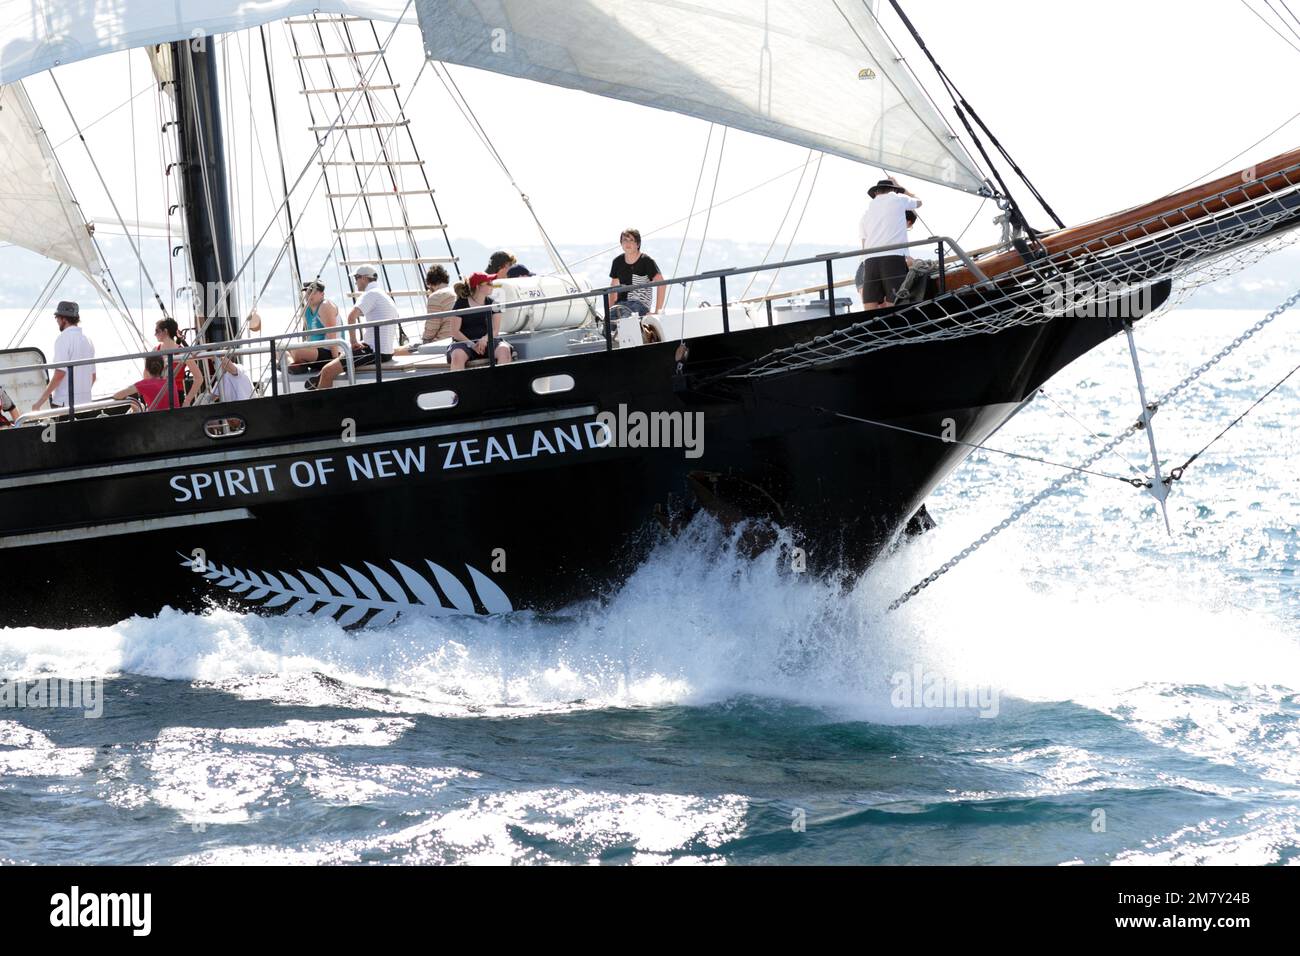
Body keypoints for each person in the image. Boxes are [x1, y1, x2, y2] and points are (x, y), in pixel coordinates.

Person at [307, 264, 399, 390]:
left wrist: (354, 341)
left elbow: (351, 317)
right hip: (384, 350)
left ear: (364, 278)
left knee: (328, 371)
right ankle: (320, 377)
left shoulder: (370, 294)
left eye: (356, 278)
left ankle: (323, 406)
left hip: (375, 351)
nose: (355, 282)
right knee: (344, 353)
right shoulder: (382, 294)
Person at [857, 178, 922, 310]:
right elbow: (919, 202)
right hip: (892, 257)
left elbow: (864, 242)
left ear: (876, 193)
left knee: (870, 301)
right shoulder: (898, 200)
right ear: (893, 190)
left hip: (870, 260)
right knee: (895, 301)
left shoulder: (866, 213)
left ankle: (872, 329)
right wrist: (903, 189)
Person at [32, 301, 96, 411]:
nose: (56, 320)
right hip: (86, 403)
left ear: (64, 319)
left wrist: (39, 403)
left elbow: (60, 374)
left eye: (57, 317)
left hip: (65, 404)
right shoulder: (87, 340)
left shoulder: (63, 339)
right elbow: (93, 376)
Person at [446, 272, 514, 370]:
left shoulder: (494, 303)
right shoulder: (461, 303)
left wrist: (484, 339)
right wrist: (472, 345)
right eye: (489, 283)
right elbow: (454, 331)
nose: (492, 286)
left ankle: (501, 383)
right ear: (478, 286)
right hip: (464, 343)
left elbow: (495, 330)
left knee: (504, 350)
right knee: (457, 356)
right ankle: (458, 384)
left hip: (488, 341)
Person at [857, 209, 919, 300]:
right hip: (873, 268)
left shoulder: (870, 221)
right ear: (908, 222)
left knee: (873, 306)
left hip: (868, 266)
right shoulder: (894, 234)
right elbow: (907, 260)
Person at [396, 266, 458, 354]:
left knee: (398, 352)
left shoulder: (436, 296)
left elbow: (431, 329)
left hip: (442, 341)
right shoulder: (456, 292)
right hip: (457, 339)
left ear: (430, 284)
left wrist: (423, 340)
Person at [607, 228, 665, 317]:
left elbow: (662, 283)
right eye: (625, 240)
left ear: (638, 244)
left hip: (639, 304)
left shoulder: (646, 261)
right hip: (620, 305)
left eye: (631, 240)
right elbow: (613, 287)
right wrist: (611, 309)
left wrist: (657, 311)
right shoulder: (617, 261)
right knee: (606, 325)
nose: (627, 243)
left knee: (626, 318)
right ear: (621, 243)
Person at [153, 318, 205, 406]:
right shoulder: (155, 350)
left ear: (165, 331)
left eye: (157, 331)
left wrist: (187, 400)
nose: (155, 334)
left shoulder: (182, 352)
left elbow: (199, 378)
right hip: (157, 394)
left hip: (176, 394)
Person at [290, 280, 340, 365]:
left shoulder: (325, 305)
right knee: (278, 347)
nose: (309, 295)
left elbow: (332, 335)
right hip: (315, 352)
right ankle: (294, 365)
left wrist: (336, 361)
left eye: (313, 292)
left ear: (322, 294)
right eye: (307, 292)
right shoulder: (306, 310)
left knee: (297, 351)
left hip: (330, 352)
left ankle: (294, 364)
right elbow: (309, 336)